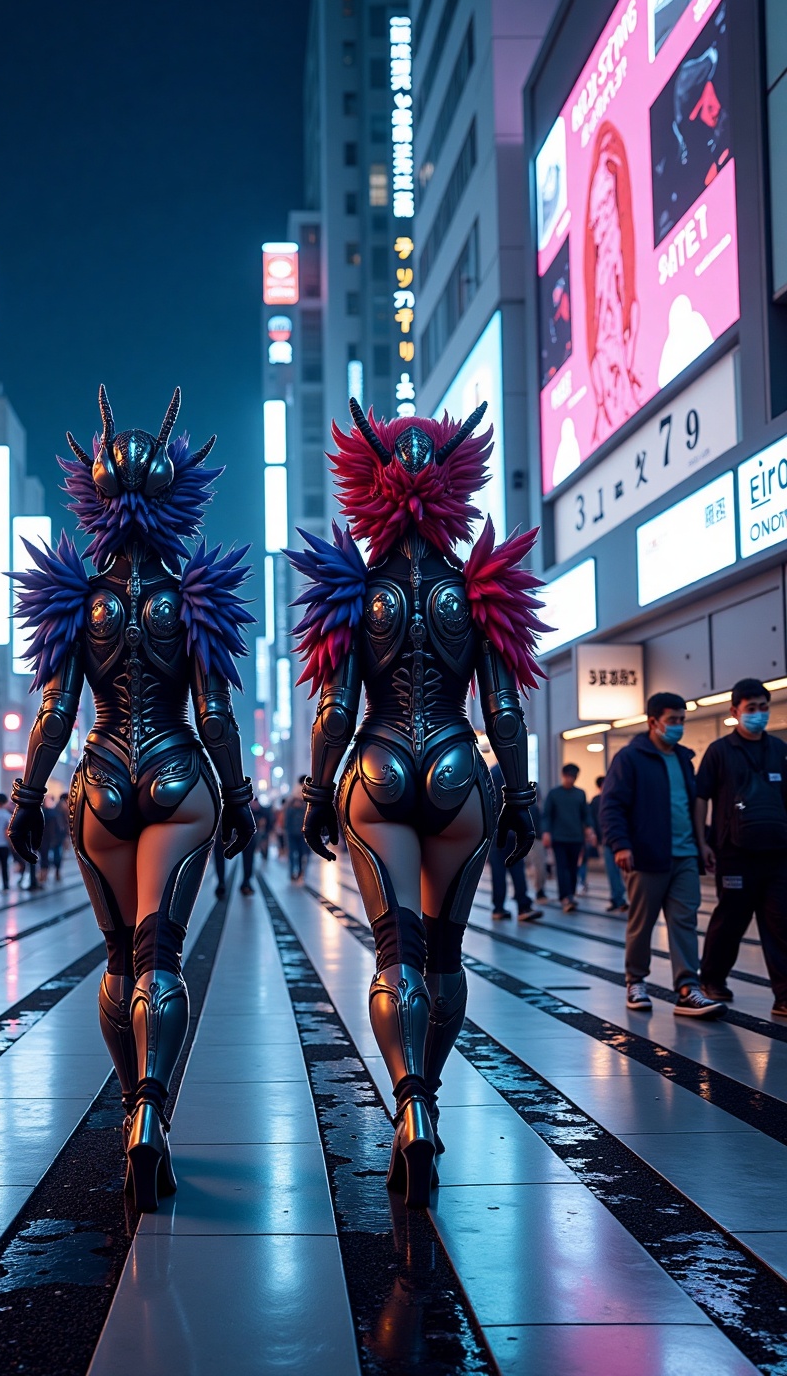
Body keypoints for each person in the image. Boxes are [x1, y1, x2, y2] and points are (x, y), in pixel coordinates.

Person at [291, 397, 544, 1209]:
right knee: (445, 954)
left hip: (377, 767)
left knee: (393, 949)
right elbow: (505, 711)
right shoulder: (480, 590)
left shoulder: (355, 591)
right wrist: (525, 796)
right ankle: (427, 1095)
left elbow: (334, 711)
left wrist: (316, 793)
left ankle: (408, 1104)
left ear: (370, 485)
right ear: (452, 487)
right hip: (458, 771)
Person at [8, 386, 254, 1214]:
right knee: (164, 955)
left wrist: (27, 795)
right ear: (175, 496)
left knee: (119, 959)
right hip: (182, 777)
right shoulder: (196, 596)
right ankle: (155, 1106)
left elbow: (54, 712)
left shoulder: (76, 600)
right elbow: (216, 716)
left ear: (99, 498)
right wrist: (244, 798)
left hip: (101, 778)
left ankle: (129, 1112)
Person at [600, 692, 724, 1018]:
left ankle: (687, 988)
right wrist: (621, 844)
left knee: (685, 921)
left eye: (682, 720)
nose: (678, 726)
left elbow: (692, 806)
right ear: (653, 722)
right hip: (646, 855)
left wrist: (703, 844)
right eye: (673, 721)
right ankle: (636, 981)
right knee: (642, 923)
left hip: (684, 855)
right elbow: (612, 804)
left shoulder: (684, 758)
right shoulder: (630, 758)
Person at [697, 679, 787, 1018]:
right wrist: (702, 841)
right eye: (752, 709)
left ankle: (784, 996)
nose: (759, 715)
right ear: (735, 711)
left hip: (777, 852)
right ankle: (713, 979)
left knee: (781, 922)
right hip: (734, 852)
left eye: (764, 708)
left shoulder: (778, 749)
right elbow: (701, 797)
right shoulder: (720, 751)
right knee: (731, 919)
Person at [487, 765, 542, 922]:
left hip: (497, 832)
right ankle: (523, 906)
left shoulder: (493, 772)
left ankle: (499, 908)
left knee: (499, 872)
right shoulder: (513, 770)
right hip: (510, 831)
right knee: (516, 868)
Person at [541, 764, 594, 911]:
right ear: (563, 775)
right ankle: (565, 896)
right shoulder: (554, 794)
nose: (571, 779)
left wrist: (589, 829)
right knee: (562, 867)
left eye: (574, 777)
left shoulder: (580, 794)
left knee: (573, 868)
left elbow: (586, 814)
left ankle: (570, 894)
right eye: (569, 776)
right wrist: (546, 832)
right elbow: (547, 815)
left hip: (576, 837)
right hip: (559, 838)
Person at [590, 774, 626, 912]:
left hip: (617, 840)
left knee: (622, 872)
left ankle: (620, 898)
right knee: (612, 871)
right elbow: (594, 820)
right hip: (607, 840)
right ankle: (618, 898)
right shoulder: (598, 801)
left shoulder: (614, 798)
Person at [283, 778, 307, 881]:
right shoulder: (302, 802)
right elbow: (287, 818)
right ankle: (295, 872)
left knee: (300, 854)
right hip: (295, 832)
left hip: (299, 832)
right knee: (295, 853)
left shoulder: (294, 802)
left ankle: (298, 872)